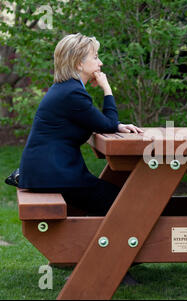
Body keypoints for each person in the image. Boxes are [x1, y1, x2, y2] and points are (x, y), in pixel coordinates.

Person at [18, 33, 143, 216]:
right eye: (95, 57)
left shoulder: (66, 89)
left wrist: (115, 125)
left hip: (48, 174)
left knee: (120, 200)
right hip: (54, 176)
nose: (100, 63)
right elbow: (107, 124)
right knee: (127, 204)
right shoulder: (72, 93)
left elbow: (102, 123)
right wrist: (107, 89)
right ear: (79, 64)